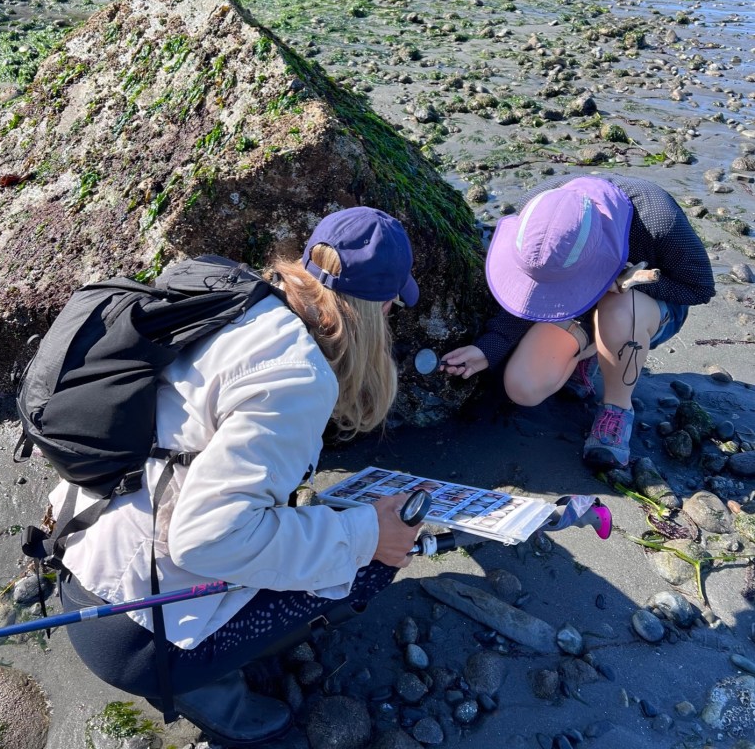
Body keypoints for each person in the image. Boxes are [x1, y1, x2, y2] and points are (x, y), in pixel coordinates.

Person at [50, 206, 421, 746]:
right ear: (378, 307)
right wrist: (367, 536)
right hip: (133, 635)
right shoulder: (299, 378)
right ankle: (202, 685)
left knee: (331, 533)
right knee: (371, 564)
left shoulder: (237, 302)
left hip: (78, 562)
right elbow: (205, 539)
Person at [441, 175, 715, 470]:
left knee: (621, 308)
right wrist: (489, 348)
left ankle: (617, 407)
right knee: (523, 386)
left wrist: (621, 280)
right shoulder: (537, 206)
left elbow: (699, 288)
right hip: (573, 302)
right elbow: (532, 292)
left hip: (642, 307)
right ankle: (590, 351)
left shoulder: (657, 218)